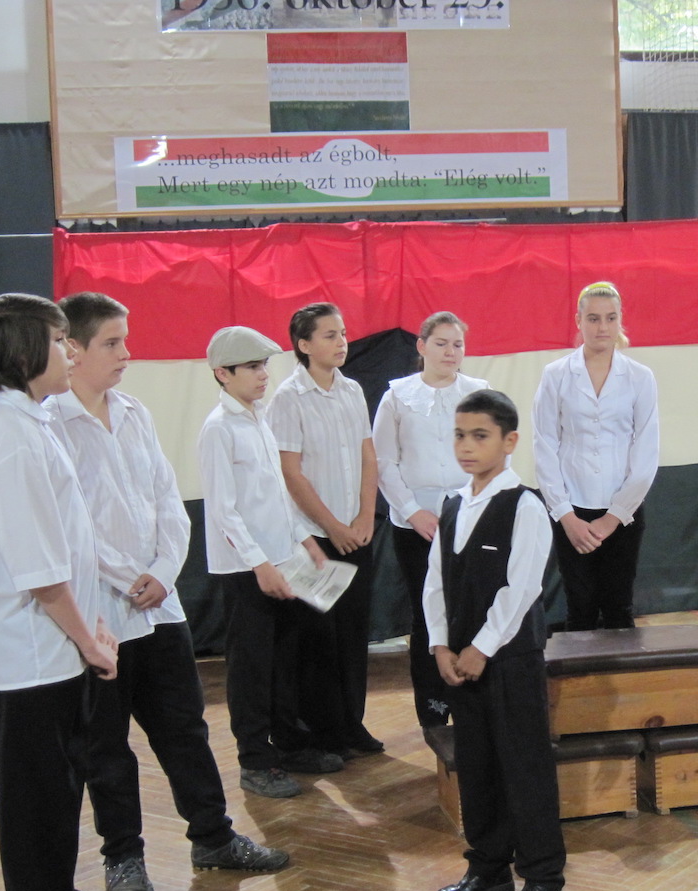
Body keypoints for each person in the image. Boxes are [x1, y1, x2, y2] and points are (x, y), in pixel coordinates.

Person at [51, 293, 289, 891]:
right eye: (112, 343)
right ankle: (123, 858)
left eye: (125, 340)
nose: (126, 353)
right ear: (72, 348)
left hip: (159, 606)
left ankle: (213, 837)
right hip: (100, 613)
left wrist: (162, 571)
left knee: (184, 729)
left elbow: (168, 500)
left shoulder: (134, 412)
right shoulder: (52, 424)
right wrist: (130, 575)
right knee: (107, 746)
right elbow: (70, 525)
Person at [0, 293, 138, 891]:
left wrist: (91, 625)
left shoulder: (32, 424)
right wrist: (90, 640)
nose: (70, 352)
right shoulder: (11, 439)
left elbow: (67, 547)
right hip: (32, 659)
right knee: (35, 812)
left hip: (58, 651)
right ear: (21, 353)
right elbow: (40, 572)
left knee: (59, 799)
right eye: (58, 340)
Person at [423, 389, 567, 891]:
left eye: (480, 436)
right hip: (461, 661)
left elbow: (521, 588)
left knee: (524, 766)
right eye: (460, 435)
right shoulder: (453, 504)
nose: (466, 446)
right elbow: (435, 582)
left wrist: (482, 648)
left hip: (508, 660)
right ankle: (487, 867)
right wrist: (441, 643)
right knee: (477, 764)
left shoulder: (524, 505)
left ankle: (543, 876)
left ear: (509, 441)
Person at [197, 325, 331, 800]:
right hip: (247, 569)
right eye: (252, 367)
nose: (262, 375)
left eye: (264, 366)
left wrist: (303, 540)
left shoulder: (259, 418)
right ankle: (254, 761)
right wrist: (259, 564)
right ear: (223, 373)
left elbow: (275, 495)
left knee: (283, 661)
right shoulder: (219, 428)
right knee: (251, 668)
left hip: (280, 559)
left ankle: (289, 744)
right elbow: (224, 510)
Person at [268, 302, 383, 757]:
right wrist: (332, 527)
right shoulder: (288, 398)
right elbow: (291, 472)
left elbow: (368, 457)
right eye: (330, 335)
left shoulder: (352, 390)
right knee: (318, 640)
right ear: (304, 344)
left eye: (343, 333)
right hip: (312, 539)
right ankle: (322, 731)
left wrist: (365, 516)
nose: (341, 342)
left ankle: (352, 724)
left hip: (356, 531)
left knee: (353, 634)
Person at [373, 311, 489, 727]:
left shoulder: (479, 394)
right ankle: (434, 706)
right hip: (416, 526)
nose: (450, 352)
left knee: (473, 611)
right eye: (441, 343)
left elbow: (494, 457)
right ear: (422, 347)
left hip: (470, 520)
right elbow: (384, 462)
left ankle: (475, 702)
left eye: (458, 344)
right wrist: (412, 512)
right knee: (428, 615)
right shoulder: (397, 397)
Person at [532, 281, 659, 630]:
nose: (602, 327)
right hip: (572, 510)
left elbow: (646, 453)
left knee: (619, 609)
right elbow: (544, 445)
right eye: (593, 318)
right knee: (581, 610)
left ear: (620, 320)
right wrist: (566, 516)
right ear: (579, 321)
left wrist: (613, 518)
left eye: (610, 318)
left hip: (623, 513)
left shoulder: (640, 377)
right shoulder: (556, 375)